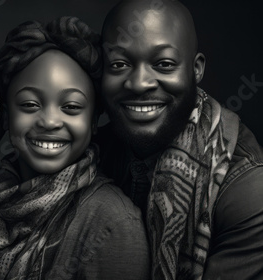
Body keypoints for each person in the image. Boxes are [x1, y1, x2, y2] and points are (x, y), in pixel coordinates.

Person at [0, 17, 150, 279]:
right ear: (5, 116)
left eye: (71, 107)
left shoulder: (111, 222)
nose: (50, 121)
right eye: (29, 105)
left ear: (93, 121)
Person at [97, 0, 263, 279]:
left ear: (196, 69)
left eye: (163, 64)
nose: (139, 83)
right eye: (119, 64)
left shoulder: (248, 191)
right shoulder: (92, 151)